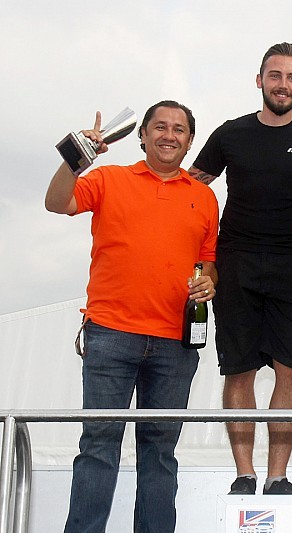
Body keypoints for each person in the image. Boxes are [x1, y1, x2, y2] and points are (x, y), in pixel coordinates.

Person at [45, 100, 219, 533]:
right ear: (142, 135)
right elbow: (55, 202)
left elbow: (208, 261)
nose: (169, 135)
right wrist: (78, 155)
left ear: (190, 141)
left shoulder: (205, 197)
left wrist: (210, 281)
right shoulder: (108, 178)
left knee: (160, 453)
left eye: (179, 130)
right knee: (98, 447)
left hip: (176, 344)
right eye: (160, 127)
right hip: (110, 334)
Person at [189, 42, 292, 495]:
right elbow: (191, 189)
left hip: (291, 262)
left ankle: (278, 477)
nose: (283, 85)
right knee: (239, 371)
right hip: (235, 261)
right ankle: (245, 475)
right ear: (259, 80)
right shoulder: (230, 134)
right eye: (275, 75)